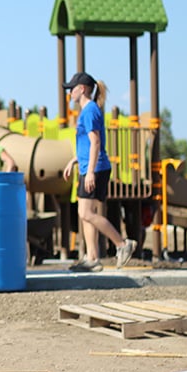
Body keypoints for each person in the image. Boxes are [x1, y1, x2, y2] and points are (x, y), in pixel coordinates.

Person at [61, 72, 136, 272]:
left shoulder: (90, 111)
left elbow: (96, 142)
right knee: (84, 213)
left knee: (86, 212)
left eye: (72, 89)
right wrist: (74, 160)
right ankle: (92, 258)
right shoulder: (87, 110)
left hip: (95, 168)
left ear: (82, 89)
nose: (69, 93)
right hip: (88, 166)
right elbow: (87, 144)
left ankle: (122, 244)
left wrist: (91, 172)